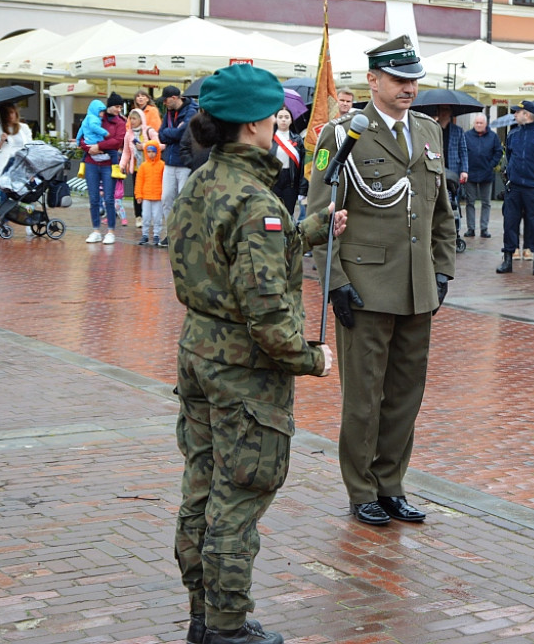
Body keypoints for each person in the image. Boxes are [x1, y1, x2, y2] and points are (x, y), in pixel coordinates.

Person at [167, 62, 345, 644]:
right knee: (239, 495)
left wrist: (314, 226)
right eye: (274, 114)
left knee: (202, 485)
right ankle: (227, 626)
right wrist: (311, 358)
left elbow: (235, 251)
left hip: (199, 354)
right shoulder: (253, 199)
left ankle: (203, 612)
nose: (281, 123)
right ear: (250, 124)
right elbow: (267, 311)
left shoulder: (204, 181)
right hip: (245, 371)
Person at [306, 34, 456, 526]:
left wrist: (442, 268)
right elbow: (321, 213)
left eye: (413, 80)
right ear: (373, 80)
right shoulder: (343, 134)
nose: (408, 88)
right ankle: (361, 488)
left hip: (417, 288)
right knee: (364, 397)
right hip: (366, 286)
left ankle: (391, 483)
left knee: (406, 394)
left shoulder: (430, 132)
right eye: (398, 79)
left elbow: (441, 213)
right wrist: (336, 281)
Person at [496, 99, 534, 276]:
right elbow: (510, 156)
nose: (514, 115)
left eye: (517, 112)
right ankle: (508, 259)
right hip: (514, 188)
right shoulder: (513, 134)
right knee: (510, 223)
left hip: (533, 187)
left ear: (527, 114)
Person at [78, 93, 125, 245]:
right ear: (109, 106)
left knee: (109, 198)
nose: (119, 109)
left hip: (108, 165)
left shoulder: (120, 122)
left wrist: (99, 146)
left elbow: (117, 141)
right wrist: (88, 148)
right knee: (93, 198)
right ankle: (96, 230)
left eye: (120, 107)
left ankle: (111, 231)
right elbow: (83, 135)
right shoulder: (96, 117)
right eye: (116, 106)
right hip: (91, 163)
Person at [159, 84, 199, 248]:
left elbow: (183, 134)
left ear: (175, 98)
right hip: (169, 161)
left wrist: (171, 132)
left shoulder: (191, 111)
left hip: (184, 163)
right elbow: (161, 134)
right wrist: (172, 132)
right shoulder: (168, 113)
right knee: (167, 198)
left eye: (166, 100)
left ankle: (183, 234)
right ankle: (171, 233)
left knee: (184, 200)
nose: (164, 104)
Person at [462, 113, 501, 238]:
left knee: (486, 203)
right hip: (470, 173)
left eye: (481, 123)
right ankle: (471, 228)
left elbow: (498, 151)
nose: (478, 125)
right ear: (474, 124)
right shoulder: (467, 136)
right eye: (477, 123)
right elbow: (462, 151)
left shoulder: (493, 137)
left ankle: (484, 228)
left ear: (485, 124)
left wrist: (491, 164)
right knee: (470, 202)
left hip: (486, 174)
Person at [119, 107, 159, 230]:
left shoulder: (149, 131)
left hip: (151, 167)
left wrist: (145, 146)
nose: (132, 121)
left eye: (135, 118)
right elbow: (126, 152)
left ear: (141, 119)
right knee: (138, 192)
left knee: (151, 192)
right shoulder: (129, 135)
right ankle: (139, 217)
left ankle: (151, 216)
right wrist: (122, 164)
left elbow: (159, 145)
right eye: (131, 118)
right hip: (137, 168)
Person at [268, 104, 306, 216]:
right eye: (280, 117)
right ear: (276, 120)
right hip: (274, 180)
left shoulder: (297, 140)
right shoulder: (269, 138)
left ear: (291, 120)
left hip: (291, 181)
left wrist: (303, 188)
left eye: (286, 117)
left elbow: (303, 164)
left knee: (288, 214)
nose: (283, 120)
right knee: (273, 213)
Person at [434, 104, 468, 226]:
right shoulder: (433, 128)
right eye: (441, 109)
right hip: (436, 170)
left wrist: (464, 170)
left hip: (453, 172)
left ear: (451, 112)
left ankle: (454, 228)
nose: (444, 112)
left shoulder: (458, 130)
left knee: (453, 201)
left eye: (446, 109)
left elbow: (463, 151)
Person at [0, 102, 32, 202]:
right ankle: (3, 215)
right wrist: (1, 140)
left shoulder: (24, 128)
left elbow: (30, 145)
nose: (10, 116)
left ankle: (21, 215)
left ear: (16, 113)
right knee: (5, 192)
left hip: (21, 163)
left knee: (21, 191)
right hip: (6, 164)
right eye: (7, 114)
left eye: (12, 113)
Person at [136, 142, 165, 246]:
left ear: (157, 152)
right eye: (148, 151)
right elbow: (139, 181)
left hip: (158, 196)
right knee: (146, 216)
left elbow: (165, 181)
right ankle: (145, 235)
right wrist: (138, 195)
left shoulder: (162, 165)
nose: (151, 154)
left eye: (153, 151)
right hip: (146, 196)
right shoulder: (143, 166)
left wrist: (164, 194)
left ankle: (156, 235)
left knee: (157, 217)